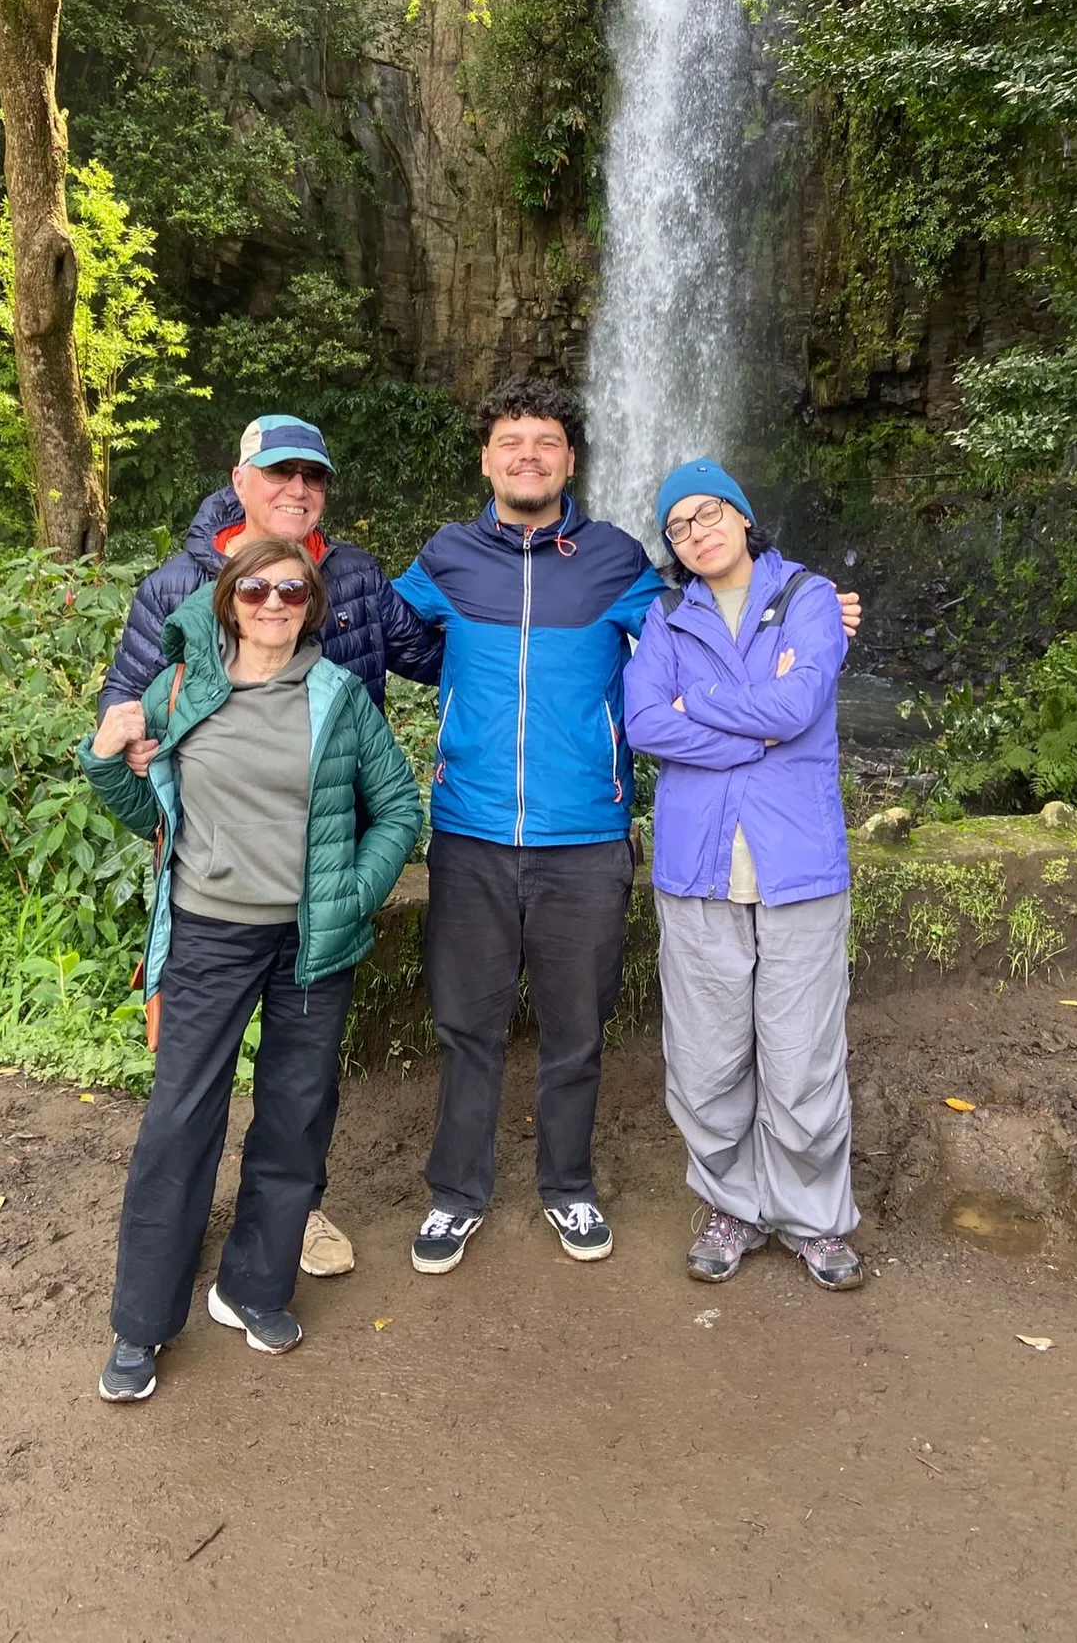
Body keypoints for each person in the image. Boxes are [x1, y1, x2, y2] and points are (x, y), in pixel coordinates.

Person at [389, 379, 863, 1275]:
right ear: (487, 459)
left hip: (585, 836)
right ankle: (456, 1195)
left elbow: (710, 615)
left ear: (571, 459)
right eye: (510, 441)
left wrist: (820, 614)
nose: (528, 455)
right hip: (472, 828)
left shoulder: (617, 561)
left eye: (546, 441)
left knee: (577, 1030)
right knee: (465, 1025)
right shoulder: (448, 557)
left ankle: (568, 1187)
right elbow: (387, 633)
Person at [101, 413, 444, 1280]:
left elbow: (435, 655)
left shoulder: (355, 575)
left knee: (300, 1088)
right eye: (280, 472)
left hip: (322, 877)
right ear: (240, 479)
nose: (298, 489)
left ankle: (292, 1221)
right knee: (190, 1090)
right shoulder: (178, 582)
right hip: (215, 879)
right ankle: (169, 1248)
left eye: (313, 476)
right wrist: (131, 749)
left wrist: (524, 600)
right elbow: (126, 705)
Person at [79, 536, 422, 1402]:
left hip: (311, 943)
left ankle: (254, 1289)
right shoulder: (181, 690)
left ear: (311, 607)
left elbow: (397, 806)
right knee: (180, 1120)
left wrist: (354, 891)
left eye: (292, 591)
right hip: (209, 935)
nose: (274, 603)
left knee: (296, 1117)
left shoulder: (338, 696)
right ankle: (141, 1324)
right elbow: (146, 807)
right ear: (229, 599)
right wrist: (103, 758)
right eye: (257, 589)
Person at [623, 461, 862, 1292]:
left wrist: (698, 704)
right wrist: (753, 727)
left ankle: (814, 1218)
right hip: (697, 867)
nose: (697, 532)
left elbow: (799, 706)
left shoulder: (809, 596)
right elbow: (644, 722)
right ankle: (733, 1206)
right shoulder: (665, 617)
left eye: (709, 513)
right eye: (678, 526)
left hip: (798, 863)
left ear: (743, 515)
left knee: (803, 1057)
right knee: (706, 1056)